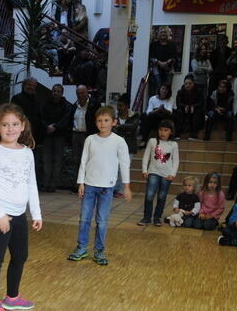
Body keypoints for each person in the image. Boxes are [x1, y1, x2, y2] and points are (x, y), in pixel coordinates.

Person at [0, 104, 42, 311]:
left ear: (22, 126)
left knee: (20, 256)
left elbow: (31, 184)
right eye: (5, 125)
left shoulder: (27, 153)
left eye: (15, 124)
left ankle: (12, 297)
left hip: (19, 215)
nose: (10, 128)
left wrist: (36, 213)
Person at [67, 106, 132, 266]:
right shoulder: (90, 139)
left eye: (106, 120)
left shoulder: (119, 141)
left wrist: (126, 186)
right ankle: (81, 248)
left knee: (102, 220)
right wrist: (81, 182)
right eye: (99, 120)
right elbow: (83, 161)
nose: (102, 123)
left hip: (107, 188)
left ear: (114, 122)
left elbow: (124, 164)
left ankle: (99, 250)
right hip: (89, 185)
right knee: (84, 219)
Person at [137, 120, 178, 227]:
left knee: (161, 197)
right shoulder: (152, 141)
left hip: (166, 175)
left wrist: (173, 174)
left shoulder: (173, 144)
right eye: (160, 130)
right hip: (153, 173)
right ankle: (146, 217)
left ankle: (157, 218)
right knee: (149, 195)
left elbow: (176, 161)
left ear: (171, 132)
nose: (162, 132)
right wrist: (144, 170)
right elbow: (146, 156)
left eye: (166, 130)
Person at [39, 84, 72, 192]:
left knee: (57, 161)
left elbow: (65, 119)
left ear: (62, 93)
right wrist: (47, 126)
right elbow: (41, 117)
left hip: (59, 136)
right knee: (46, 160)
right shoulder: (46, 104)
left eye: (58, 91)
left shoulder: (66, 105)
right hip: (47, 135)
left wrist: (55, 127)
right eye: (54, 91)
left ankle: (53, 184)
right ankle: (45, 183)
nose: (56, 93)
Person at [70, 85, 99, 189]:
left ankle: (88, 184)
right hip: (75, 135)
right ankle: (77, 184)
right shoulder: (74, 106)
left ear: (87, 93)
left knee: (87, 160)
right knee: (76, 160)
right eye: (78, 93)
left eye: (82, 93)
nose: (81, 95)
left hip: (88, 135)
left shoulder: (94, 104)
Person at [149, 27, 177, 96]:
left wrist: (167, 63)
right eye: (161, 32)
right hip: (157, 70)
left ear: (167, 33)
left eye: (165, 32)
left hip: (169, 70)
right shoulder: (154, 44)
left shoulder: (172, 45)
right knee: (158, 88)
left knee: (167, 89)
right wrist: (160, 63)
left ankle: (166, 106)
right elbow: (151, 57)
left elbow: (175, 56)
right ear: (158, 34)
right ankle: (158, 106)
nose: (163, 34)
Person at [174, 75, 204, 140]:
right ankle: (177, 134)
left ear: (193, 84)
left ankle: (193, 135)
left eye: (190, 83)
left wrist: (193, 106)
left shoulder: (199, 91)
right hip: (184, 109)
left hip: (195, 109)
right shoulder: (180, 91)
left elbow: (201, 103)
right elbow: (178, 103)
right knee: (178, 111)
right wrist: (185, 106)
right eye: (186, 84)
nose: (188, 85)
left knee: (198, 112)